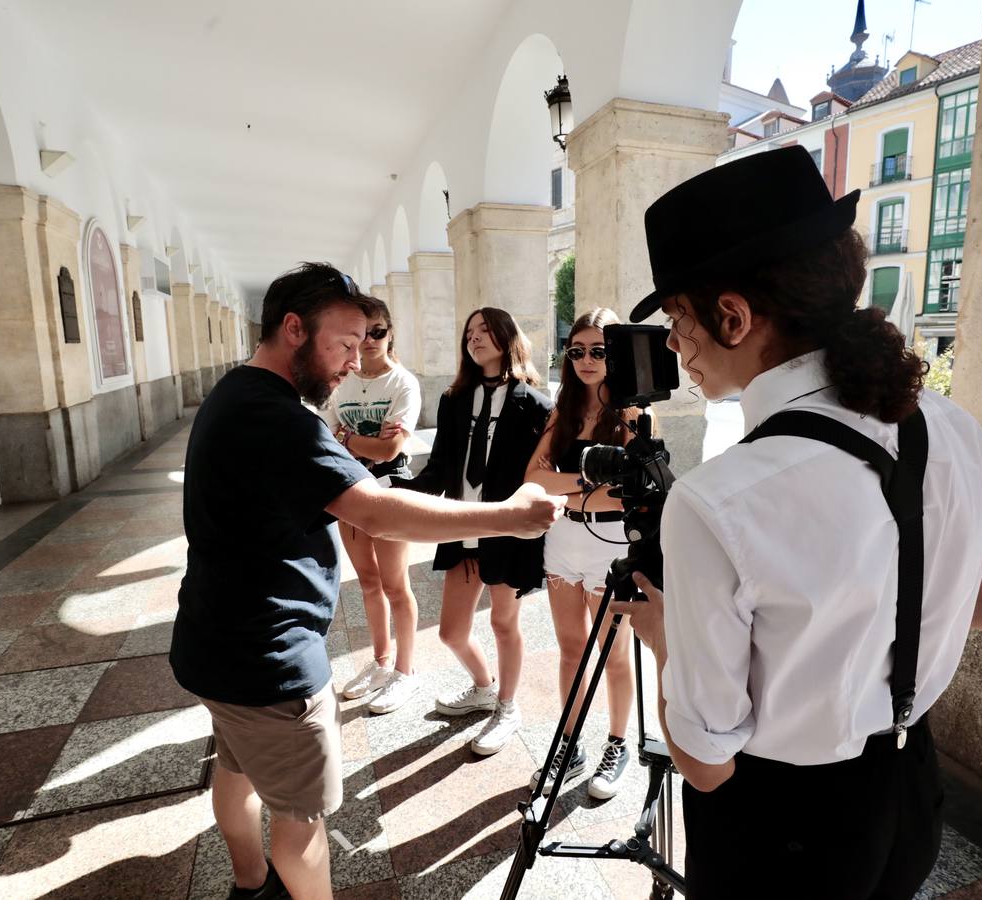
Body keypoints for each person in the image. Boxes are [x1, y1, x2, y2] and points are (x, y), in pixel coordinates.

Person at [609, 147, 982, 899]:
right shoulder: (945, 428)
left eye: (679, 321)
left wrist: (664, 640)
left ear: (733, 315)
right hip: (912, 796)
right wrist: (918, 613)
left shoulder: (719, 500)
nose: (676, 349)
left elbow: (706, 762)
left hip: (775, 824)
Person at [169, 265, 563, 900]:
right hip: (269, 658)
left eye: (363, 344)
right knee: (302, 823)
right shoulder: (281, 418)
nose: (355, 360)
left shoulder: (234, 393)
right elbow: (375, 509)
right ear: (294, 328)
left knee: (236, 772)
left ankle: (249, 885)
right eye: (345, 342)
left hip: (213, 643)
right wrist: (510, 517)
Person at [403, 307, 552, 756]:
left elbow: (540, 475)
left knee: (503, 621)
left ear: (507, 337)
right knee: (451, 631)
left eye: (485, 331)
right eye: (469, 332)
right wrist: (393, 489)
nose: (475, 338)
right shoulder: (454, 399)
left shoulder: (535, 404)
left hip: (505, 531)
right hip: (462, 525)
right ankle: (483, 687)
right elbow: (438, 469)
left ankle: (508, 706)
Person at [524, 308, 635, 800]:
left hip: (611, 545)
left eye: (599, 350)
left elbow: (625, 495)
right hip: (563, 542)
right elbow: (533, 480)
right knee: (571, 648)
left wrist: (566, 486)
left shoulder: (631, 414)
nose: (587, 360)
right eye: (578, 351)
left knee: (614, 653)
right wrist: (591, 483)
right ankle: (571, 746)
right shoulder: (562, 411)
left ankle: (617, 742)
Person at [321, 300, 424, 715]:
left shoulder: (403, 383)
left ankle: (406, 671)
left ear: (390, 333)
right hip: (349, 486)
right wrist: (354, 441)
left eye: (378, 332)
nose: (369, 341)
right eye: (363, 333)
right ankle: (381, 662)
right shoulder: (340, 381)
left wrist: (347, 438)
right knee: (367, 580)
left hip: (389, 485)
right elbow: (325, 435)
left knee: (396, 584)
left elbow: (390, 449)